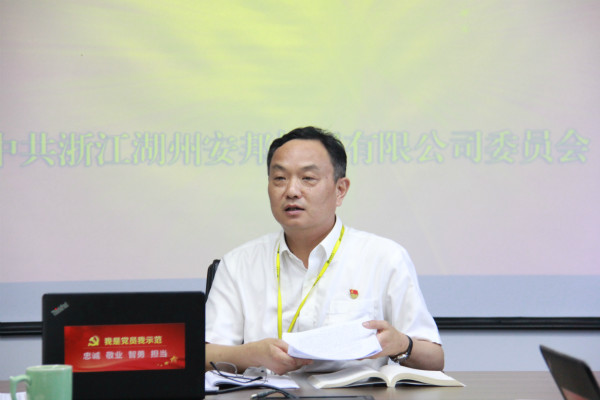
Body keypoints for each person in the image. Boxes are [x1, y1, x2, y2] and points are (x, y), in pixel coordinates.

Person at [205, 126, 444, 375]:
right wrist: (251, 355)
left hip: (355, 393)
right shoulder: (239, 263)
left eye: (308, 178)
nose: (291, 191)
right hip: (265, 391)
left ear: (340, 190)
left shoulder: (384, 257)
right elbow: (202, 355)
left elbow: (435, 358)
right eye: (280, 179)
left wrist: (402, 345)